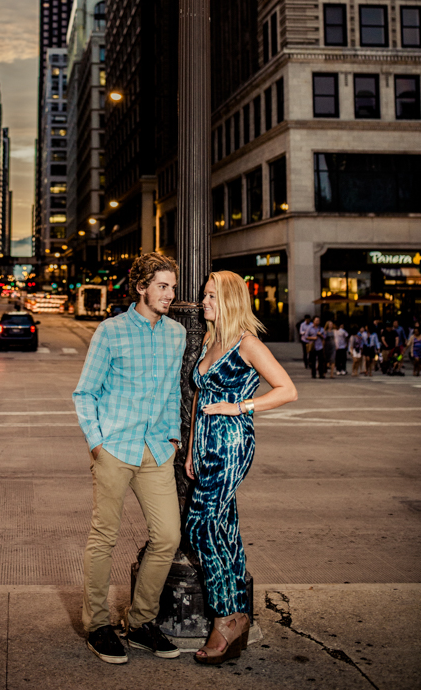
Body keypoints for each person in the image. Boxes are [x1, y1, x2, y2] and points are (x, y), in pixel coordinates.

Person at [73, 252, 185, 666]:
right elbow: (85, 392)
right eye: (162, 286)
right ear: (141, 287)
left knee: (168, 536)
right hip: (116, 448)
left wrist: (173, 435)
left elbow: (173, 390)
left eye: (172, 287)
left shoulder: (176, 334)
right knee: (105, 536)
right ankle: (97, 624)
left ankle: (140, 622)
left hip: (156, 449)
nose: (170, 294)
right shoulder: (111, 332)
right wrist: (96, 442)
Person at [185, 271, 297, 665]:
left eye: (211, 296)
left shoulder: (247, 344)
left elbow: (287, 389)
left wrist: (239, 406)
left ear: (230, 300)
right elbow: (201, 395)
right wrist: (190, 452)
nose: (204, 303)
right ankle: (238, 615)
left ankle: (226, 615)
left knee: (200, 527)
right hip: (205, 445)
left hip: (232, 443)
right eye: (204, 296)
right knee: (224, 525)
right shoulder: (209, 339)